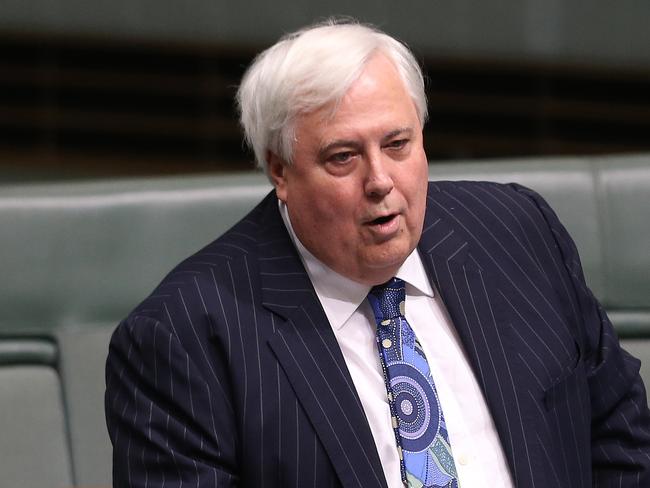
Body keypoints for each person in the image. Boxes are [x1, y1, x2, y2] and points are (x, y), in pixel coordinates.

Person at [105, 19, 650, 488]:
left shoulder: (518, 233)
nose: (381, 181)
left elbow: (622, 435)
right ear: (280, 170)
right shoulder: (182, 337)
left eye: (398, 144)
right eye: (344, 157)